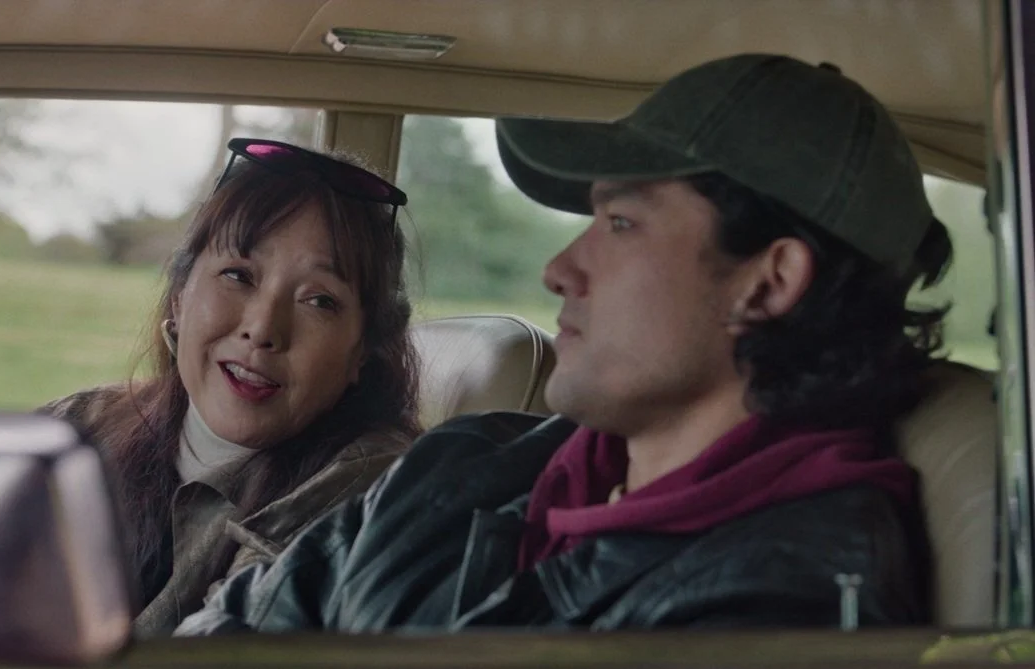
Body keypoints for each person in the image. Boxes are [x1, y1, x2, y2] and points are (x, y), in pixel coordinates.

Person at [175, 53, 949, 634]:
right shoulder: (467, 460)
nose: (560, 269)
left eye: (621, 222)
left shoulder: (788, 611)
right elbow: (230, 626)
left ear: (769, 281)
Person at [42, 138, 420, 636]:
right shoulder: (78, 427)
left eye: (320, 301)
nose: (262, 329)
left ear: (362, 353)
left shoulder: (371, 492)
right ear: (179, 298)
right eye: (238, 275)